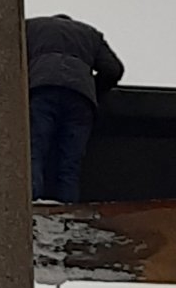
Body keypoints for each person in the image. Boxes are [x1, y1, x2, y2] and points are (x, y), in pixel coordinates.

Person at [26, 13, 124, 203]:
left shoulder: (30, 27)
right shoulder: (91, 34)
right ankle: (68, 209)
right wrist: (93, 89)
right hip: (81, 99)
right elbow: (113, 70)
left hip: (42, 90)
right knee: (70, 162)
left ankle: (32, 202)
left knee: (34, 150)